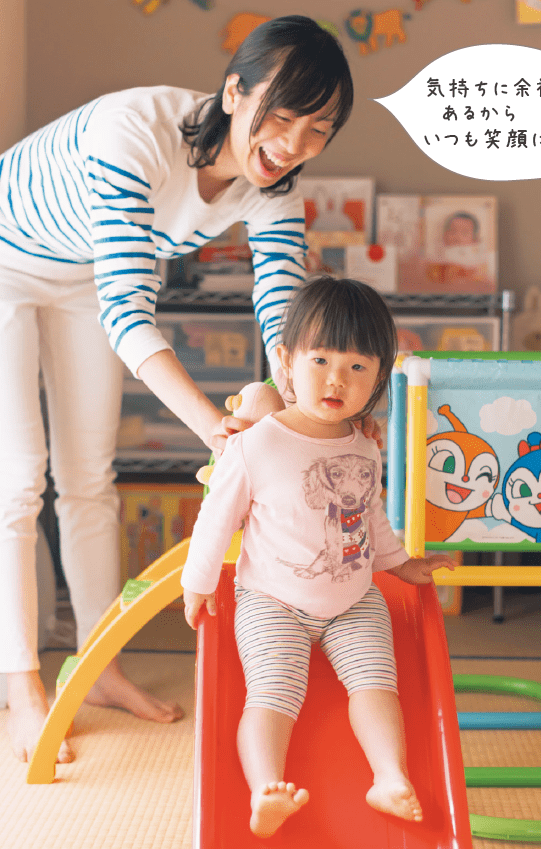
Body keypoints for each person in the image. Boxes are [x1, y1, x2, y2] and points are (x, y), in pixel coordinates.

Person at [0, 16, 354, 764]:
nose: (293, 144)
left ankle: (98, 666)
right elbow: (128, 309)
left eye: (317, 130)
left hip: (82, 277)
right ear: (234, 93)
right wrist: (212, 425)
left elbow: (281, 312)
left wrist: (300, 413)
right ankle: (22, 684)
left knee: (89, 476)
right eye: (282, 116)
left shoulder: (274, 187)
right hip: (7, 258)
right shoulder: (134, 133)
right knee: (18, 478)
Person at [182, 276, 455, 838]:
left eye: (358, 367)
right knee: (274, 691)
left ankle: (388, 777)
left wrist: (401, 564)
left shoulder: (363, 444)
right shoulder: (257, 443)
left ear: (379, 378)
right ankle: (265, 789)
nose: (337, 379)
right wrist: (198, 580)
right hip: (272, 602)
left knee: (377, 684)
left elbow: (371, 516)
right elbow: (216, 517)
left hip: (354, 601)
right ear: (286, 362)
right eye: (322, 360)